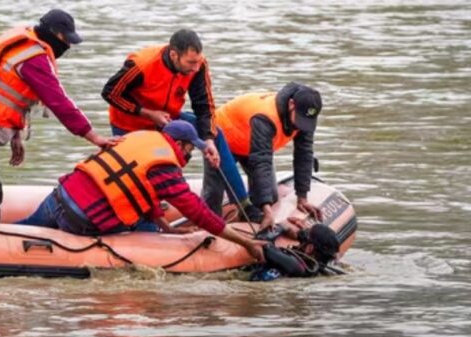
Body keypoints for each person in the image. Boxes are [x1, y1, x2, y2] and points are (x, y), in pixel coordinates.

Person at [0, 9, 115, 223]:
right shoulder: (32, 58)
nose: (68, 46)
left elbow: (9, 93)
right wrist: (94, 137)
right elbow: (59, 102)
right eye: (66, 40)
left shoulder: (27, 41)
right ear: (54, 34)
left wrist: (16, 133)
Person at [17, 120, 266, 262]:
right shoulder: (165, 166)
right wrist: (245, 242)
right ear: (179, 144)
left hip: (59, 196)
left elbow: (136, 187)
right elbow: (198, 211)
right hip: (82, 220)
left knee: (19, 229)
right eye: (191, 149)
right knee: (146, 230)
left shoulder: (139, 138)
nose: (190, 155)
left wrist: (167, 227)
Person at [100, 29, 251, 210]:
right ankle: (147, 207)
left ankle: (243, 204)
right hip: (130, 123)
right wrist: (147, 113)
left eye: (198, 61)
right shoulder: (141, 64)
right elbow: (110, 93)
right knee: (141, 170)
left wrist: (208, 139)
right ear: (174, 55)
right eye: (190, 62)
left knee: (215, 134)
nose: (195, 67)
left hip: (167, 119)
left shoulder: (198, 65)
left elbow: (204, 105)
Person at [201, 82, 325, 229]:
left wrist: (302, 197)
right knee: (214, 192)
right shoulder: (266, 117)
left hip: (250, 143)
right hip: (222, 138)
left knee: (271, 195)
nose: (301, 126)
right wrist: (267, 211)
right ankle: (208, 227)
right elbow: (261, 161)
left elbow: (304, 154)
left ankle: (247, 218)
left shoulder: (304, 119)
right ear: (291, 104)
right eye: (299, 120)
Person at [249, 218, 341, 281]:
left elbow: (262, 242)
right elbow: (307, 242)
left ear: (309, 248)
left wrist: (281, 227)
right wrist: (300, 233)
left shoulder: (295, 265)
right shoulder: (313, 268)